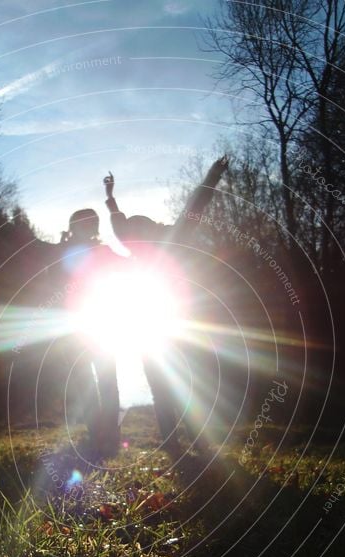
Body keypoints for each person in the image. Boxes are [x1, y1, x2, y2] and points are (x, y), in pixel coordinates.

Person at [102, 156, 229, 453]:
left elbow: (195, 206)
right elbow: (121, 225)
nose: (129, 238)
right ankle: (175, 442)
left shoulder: (171, 240)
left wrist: (212, 176)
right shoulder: (143, 247)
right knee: (165, 387)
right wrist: (110, 200)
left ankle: (192, 441)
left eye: (134, 232)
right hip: (151, 326)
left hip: (175, 325)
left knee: (180, 387)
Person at [54, 208, 122, 456]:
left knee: (106, 382)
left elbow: (133, 265)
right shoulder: (60, 251)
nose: (86, 229)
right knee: (86, 383)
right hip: (74, 329)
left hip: (102, 322)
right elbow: (26, 244)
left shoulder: (104, 252)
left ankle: (108, 433)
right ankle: (98, 433)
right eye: (81, 224)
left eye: (90, 224)